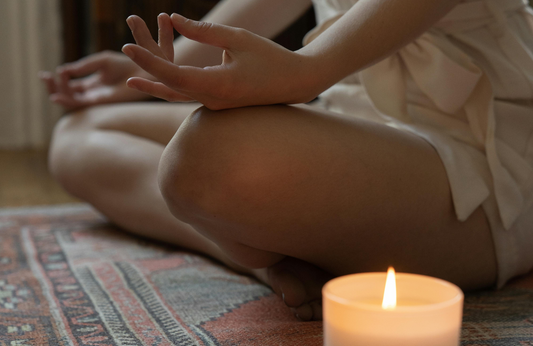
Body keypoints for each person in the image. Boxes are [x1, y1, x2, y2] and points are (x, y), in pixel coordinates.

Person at [41, 0, 533, 321]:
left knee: (205, 158)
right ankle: (267, 263)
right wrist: (158, 66)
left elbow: (315, 70)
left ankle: (261, 243)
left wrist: (306, 73)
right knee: (78, 137)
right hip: (351, 115)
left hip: (481, 154)